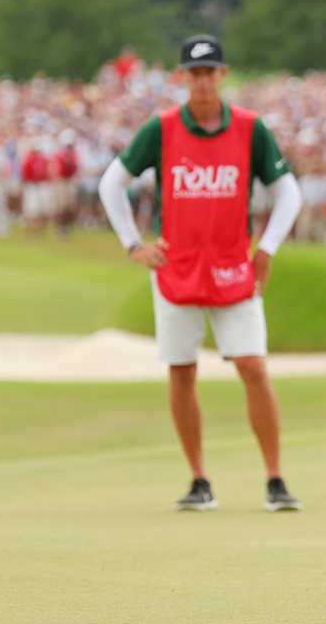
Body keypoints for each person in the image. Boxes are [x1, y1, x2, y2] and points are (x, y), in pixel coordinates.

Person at [98, 34, 304, 512]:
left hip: (234, 267)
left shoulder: (251, 129)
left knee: (252, 366)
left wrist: (267, 248)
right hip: (177, 266)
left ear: (223, 75)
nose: (203, 82)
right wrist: (133, 244)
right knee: (181, 370)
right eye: (195, 73)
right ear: (183, 78)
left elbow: (287, 192)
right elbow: (113, 182)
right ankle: (198, 479)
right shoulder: (162, 129)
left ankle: (275, 478)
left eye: (210, 72)